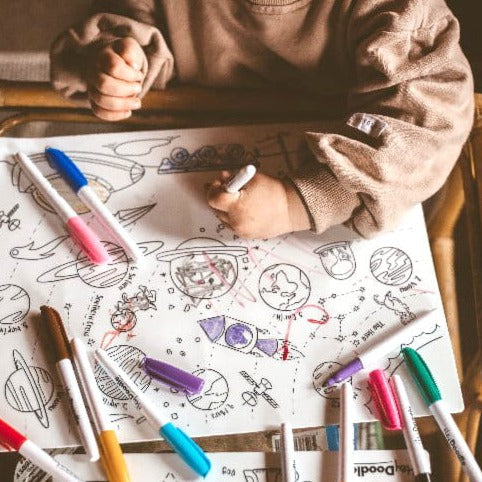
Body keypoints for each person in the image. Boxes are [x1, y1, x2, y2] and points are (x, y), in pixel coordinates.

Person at [50, 0, 474, 240]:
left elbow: (430, 121)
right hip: (179, 166)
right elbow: (126, 21)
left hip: (329, 208)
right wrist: (117, 62)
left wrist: (303, 200)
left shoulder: (398, 10)